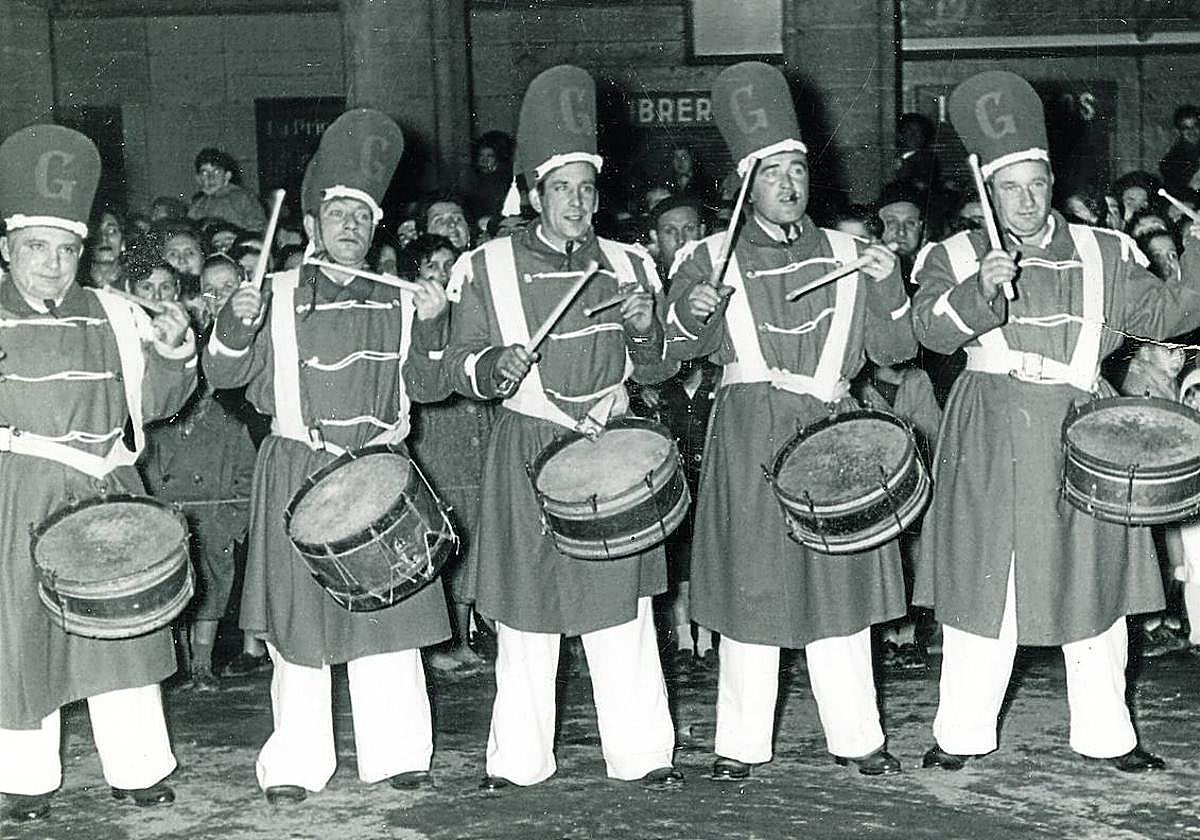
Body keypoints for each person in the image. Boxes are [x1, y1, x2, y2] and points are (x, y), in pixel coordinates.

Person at [912, 70, 1200, 774]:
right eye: (1008, 187)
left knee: (1093, 586)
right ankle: (960, 734)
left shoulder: (1105, 250)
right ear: (990, 190)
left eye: (1035, 182)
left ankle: (1109, 736)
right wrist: (980, 294)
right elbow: (928, 329)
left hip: (1082, 429)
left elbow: (1170, 314)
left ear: (1050, 177)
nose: (1025, 199)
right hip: (991, 432)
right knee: (987, 588)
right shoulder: (954, 254)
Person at [664, 61, 914, 780]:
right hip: (749, 434)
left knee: (839, 589)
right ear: (747, 182)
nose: (789, 184)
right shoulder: (707, 257)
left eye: (798, 170)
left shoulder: (849, 252)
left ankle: (860, 738)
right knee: (754, 590)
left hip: (833, 428)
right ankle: (739, 745)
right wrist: (692, 312)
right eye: (772, 173)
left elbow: (895, 350)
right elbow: (672, 349)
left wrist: (890, 283)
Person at [443, 65, 680, 791]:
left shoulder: (630, 261)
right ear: (534, 194)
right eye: (560, 188)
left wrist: (646, 332)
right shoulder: (486, 266)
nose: (576, 202)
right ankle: (517, 763)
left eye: (586, 187)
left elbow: (657, 370)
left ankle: (643, 756)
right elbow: (459, 363)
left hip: (611, 442)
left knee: (623, 615)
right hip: (528, 446)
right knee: (526, 616)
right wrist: (492, 367)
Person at [205, 109, 453, 805]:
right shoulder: (274, 297)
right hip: (298, 470)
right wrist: (234, 322)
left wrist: (435, 329)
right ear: (312, 224)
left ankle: (399, 754)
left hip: (380, 470)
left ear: (374, 230)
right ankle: (294, 762)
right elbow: (223, 376)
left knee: (391, 620)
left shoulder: (402, 300)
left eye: (362, 217)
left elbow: (432, 388)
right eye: (338, 212)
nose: (350, 225)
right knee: (299, 630)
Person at [0, 125, 196, 823]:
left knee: (124, 628)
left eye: (66, 251)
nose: (52, 265)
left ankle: (138, 767)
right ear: (7, 250)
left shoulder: (116, 312)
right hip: (19, 491)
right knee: (21, 636)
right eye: (35, 250)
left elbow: (157, 408)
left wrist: (174, 352)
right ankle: (23, 778)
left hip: (109, 488)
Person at [140, 256, 258, 693]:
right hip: (172, 516)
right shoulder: (159, 428)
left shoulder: (229, 428)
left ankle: (203, 662)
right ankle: (180, 664)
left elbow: (246, 477)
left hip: (215, 522)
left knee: (211, 587)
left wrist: (232, 522)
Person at [404, 233, 491, 673]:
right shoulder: (415, 315)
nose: (442, 274)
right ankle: (438, 642)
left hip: (475, 429)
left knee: (472, 532)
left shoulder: (473, 310)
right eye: (432, 265)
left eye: (449, 265)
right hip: (437, 434)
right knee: (440, 535)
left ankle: (460, 635)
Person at [1166, 368, 1200, 658]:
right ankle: (1197, 634)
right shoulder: (1178, 439)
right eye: (1192, 401)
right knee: (1192, 575)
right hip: (1190, 517)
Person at [188, 147, 266, 232]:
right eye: (205, 172)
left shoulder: (243, 198)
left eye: (217, 172)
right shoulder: (197, 205)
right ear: (198, 178)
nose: (211, 178)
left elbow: (259, 228)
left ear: (227, 176)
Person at [1159, 104, 1200, 198]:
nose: (1192, 132)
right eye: (1185, 128)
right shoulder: (1170, 163)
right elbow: (1176, 194)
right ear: (1178, 131)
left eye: (1195, 126)